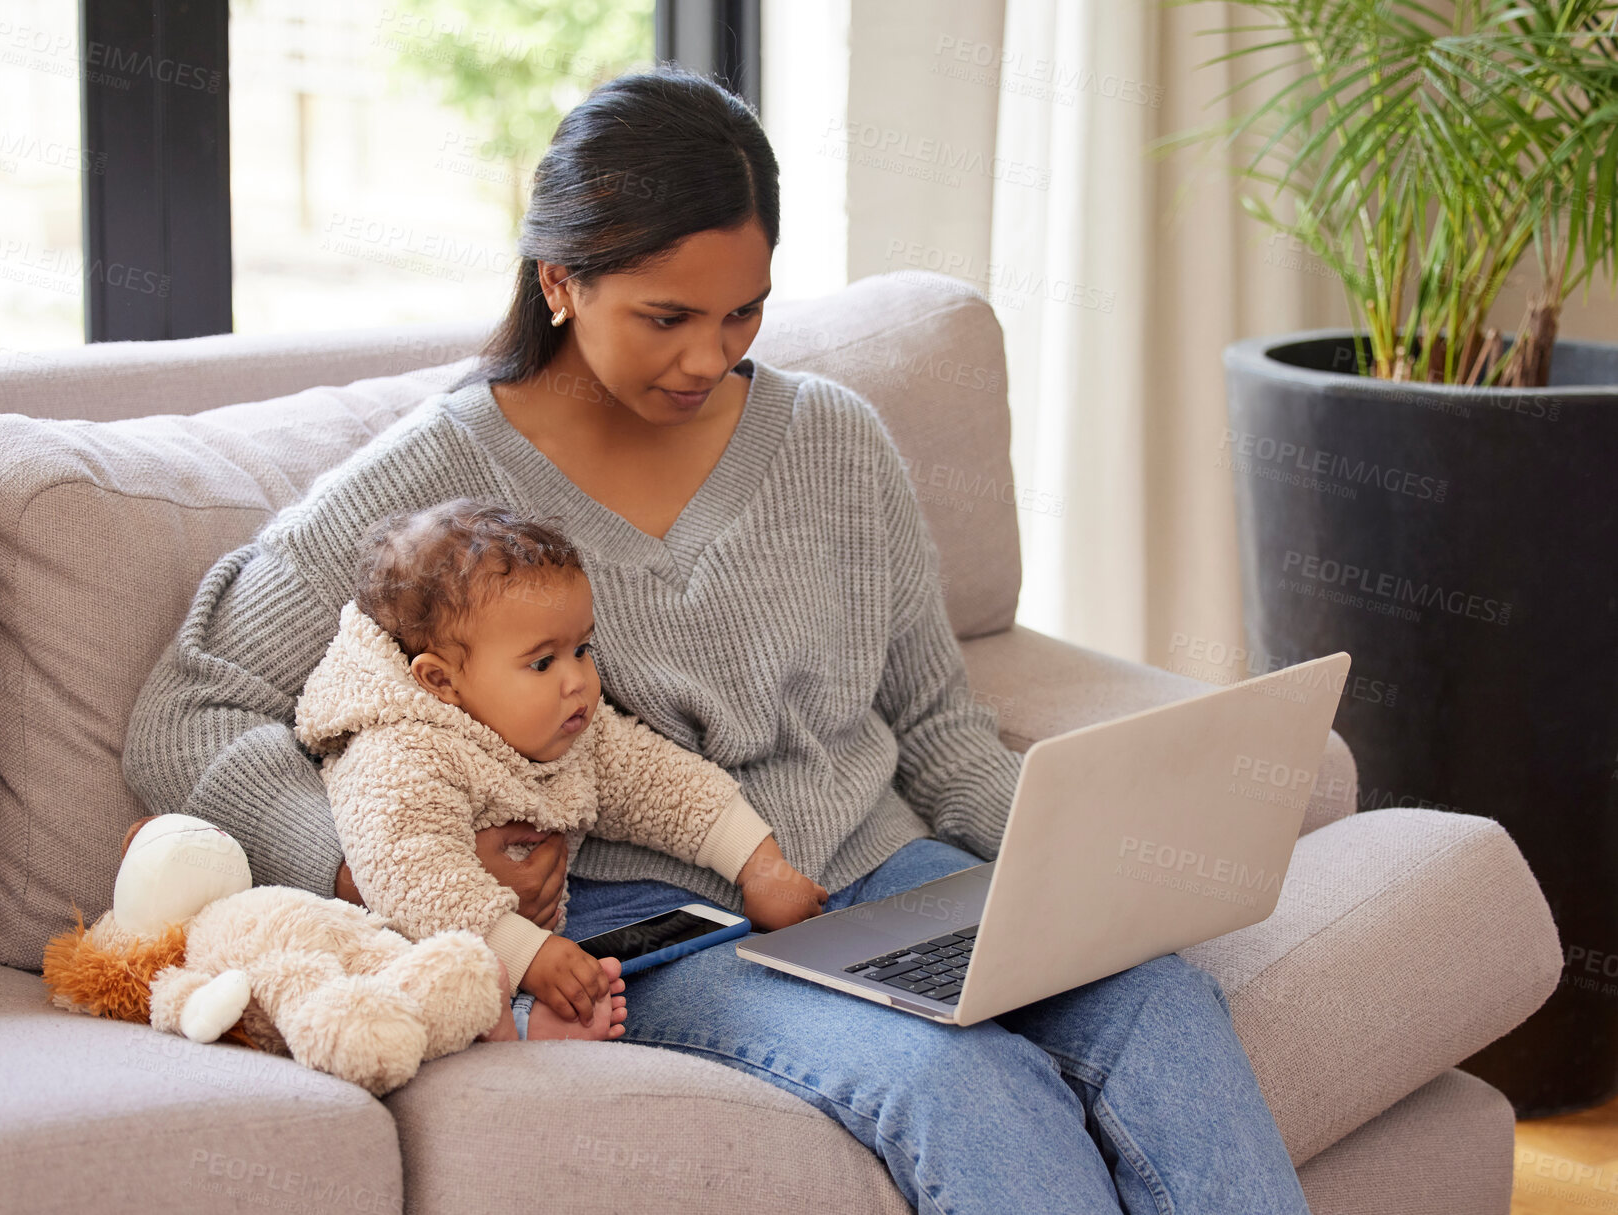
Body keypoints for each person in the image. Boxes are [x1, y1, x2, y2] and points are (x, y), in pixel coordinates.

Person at [121, 63, 1311, 1213]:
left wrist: (1085, 869)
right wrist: (348, 863)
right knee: (962, 1083)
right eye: (667, 317)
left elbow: (936, 725)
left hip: (886, 871)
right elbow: (193, 705)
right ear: (558, 284)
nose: (711, 356)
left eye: (744, 312)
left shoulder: (835, 441)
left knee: (1161, 1006)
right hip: (659, 927)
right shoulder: (438, 482)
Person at [290, 498, 826, 1040]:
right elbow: (416, 880)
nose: (578, 680)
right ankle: (520, 1026)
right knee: (414, 984)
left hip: (531, 935)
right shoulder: (400, 756)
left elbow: (661, 784)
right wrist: (529, 955)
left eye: (582, 649)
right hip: (423, 939)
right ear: (441, 681)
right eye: (543, 662)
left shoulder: (564, 723)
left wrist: (761, 867)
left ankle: (527, 1017)